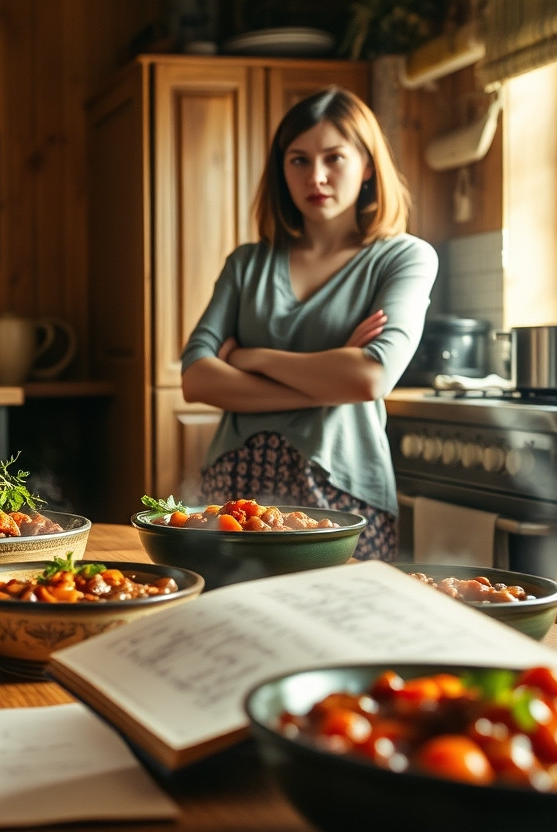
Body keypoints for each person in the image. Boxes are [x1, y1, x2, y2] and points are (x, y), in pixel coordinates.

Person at [178, 87, 437, 561]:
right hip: (233, 491)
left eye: (333, 158)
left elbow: (370, 376)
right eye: (298, 160)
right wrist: (328, 379)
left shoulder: (404, 257)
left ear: (368, 166)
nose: (315, 176)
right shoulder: (246, 264)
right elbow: (195, 378)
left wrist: (248, 358)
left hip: (343, 491)